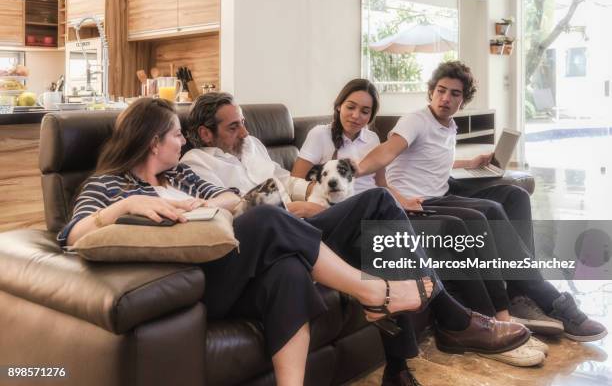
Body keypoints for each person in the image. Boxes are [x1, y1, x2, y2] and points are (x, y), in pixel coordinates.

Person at [58, 98, 443, 386]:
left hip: (232, 266)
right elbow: (75, 234)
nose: (182, 142)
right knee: (267, 218)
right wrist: (127, 204)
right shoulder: (108, 184)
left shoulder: (181, 178)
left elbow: (229, 199)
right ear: (152, 141)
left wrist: (206, 204)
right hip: (193, 283)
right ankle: (375, 292)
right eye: (176, 134)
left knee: (288, 270)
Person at [181, 93, 532, 385]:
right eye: (233, 126)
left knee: (378, 234)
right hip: (273, 238)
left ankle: (397, 369)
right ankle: (452, 319)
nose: (244, 130)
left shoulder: (253, 145)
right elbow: (236, 211)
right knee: (378, 203)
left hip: (303, 220)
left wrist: (315, 197)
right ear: (206, 134)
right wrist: (294, 209)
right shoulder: (196, 163)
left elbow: (287, 179)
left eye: (243, 121)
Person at [291, 78, 548, 367]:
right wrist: (314, 207)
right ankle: (482, 324)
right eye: (350, 107)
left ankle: (490, 320)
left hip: (376, 212)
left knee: (453, 226)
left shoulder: (373, 140)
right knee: (448, 226)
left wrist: (400, 201)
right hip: (341, 216)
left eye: (365, 111)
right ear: (339, 105)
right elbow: (297, 182)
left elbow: (382, 185)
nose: (356, 116)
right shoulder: (319, 135)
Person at [355, 61, 607, 343]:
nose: (446, 98)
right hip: (419, 202)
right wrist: (354, 170)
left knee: (515, 196)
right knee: (491, 211)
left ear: (463, 100)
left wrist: (470, 162)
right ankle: (545, 296)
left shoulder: (449, 125)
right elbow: (387, 152)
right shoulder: (414, 120)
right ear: (431, 92)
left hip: (442, 191)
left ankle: (519, 292)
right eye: (440, 91)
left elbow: (435, 160)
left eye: (454, 94)